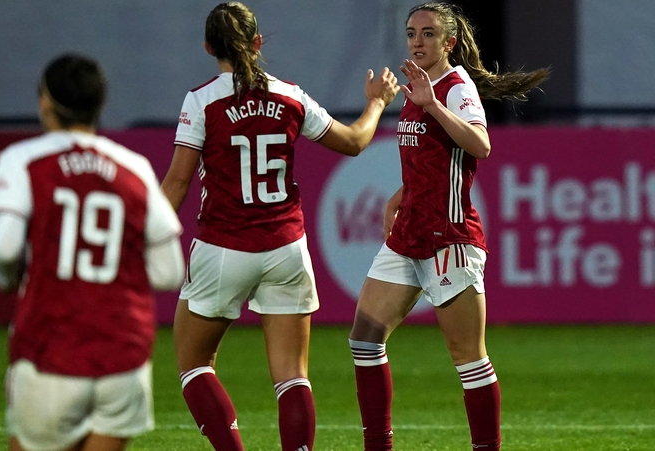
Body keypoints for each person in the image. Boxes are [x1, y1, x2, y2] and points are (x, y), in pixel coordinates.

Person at [159, 3, 400, 450]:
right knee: (292, 377)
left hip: (222, 248)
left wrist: (143, 236)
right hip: (286, 248)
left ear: (210, 47)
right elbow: (352, 142)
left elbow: (177, 180)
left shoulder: (202, 101)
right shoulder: (289, 95)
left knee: (195, 365)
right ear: (257, 42)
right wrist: (377, 102)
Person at [347, 3, 550, 451]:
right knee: (364, 340)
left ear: (449, 42)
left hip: (449, 238)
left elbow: (481, 145)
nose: (418, 41)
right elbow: (430, 159)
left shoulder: (455, 89)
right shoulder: (419, 87)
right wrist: (398, 197)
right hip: (409, 235)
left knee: (468, 359)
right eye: (411, 34)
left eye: (428, 34)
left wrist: (434, 106)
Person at [0, 53, 185, 451]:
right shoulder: (134, 167)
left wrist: (13, 281)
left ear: (46, 102)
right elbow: (168, 272)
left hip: (52, 347)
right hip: (125, 355)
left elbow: (5, 250)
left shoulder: (22, 161)